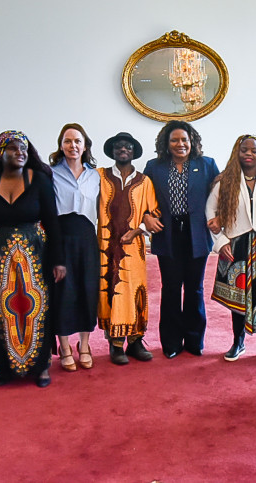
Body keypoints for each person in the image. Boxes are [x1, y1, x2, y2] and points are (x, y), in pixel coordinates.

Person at [0, 131, 66, 387]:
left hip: (35, 254)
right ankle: (3, 367)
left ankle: (41, 367)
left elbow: (52, 222)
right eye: (13, 148)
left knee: (37, 308)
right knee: (0, 309)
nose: (20, 152)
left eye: (23, 148)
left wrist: (58, 260)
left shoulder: (40, 180)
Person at [144, 121, 220, 358]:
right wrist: (146, 217)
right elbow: (143, 198)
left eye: (184, 140)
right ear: (166, 144)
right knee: (171, 288)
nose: (180, 144)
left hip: (196, 234)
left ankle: (194, 340)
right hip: (167, 234)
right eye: (174, 140)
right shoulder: (154, 167)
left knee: (195, 288)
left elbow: (221, 196)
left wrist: (219, 217)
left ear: (192, 141)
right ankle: (171, 342)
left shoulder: (207, 165)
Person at [207, 135, 256, 364]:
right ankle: (238, 342)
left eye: (254, 150)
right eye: (244, 150)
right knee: (238, 299)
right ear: (237, 152)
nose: (249, 154)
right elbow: (210, 211)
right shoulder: (225, 180)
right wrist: (221, 241)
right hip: (236, 246)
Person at [96, 132, 162, 365]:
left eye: (128, 146)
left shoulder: (144, 182)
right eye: (118, 146)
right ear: (112, 151)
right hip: (105, 245)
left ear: (134, 152)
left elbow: (154, 212)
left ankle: (135, 341)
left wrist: (137, 230)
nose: (123, 149)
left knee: (134, 290)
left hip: (133, 247)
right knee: (110, 288)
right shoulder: (100, 176)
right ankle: (115, 344)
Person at [49, 124, 100, 372]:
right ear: (61, 145)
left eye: (78, 141)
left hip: (87, 237)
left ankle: (85, 345)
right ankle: (65, 347)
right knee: (64, 291)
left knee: (87, 290)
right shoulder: (50, 173)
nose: (73, 146)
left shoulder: (96, 175)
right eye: (68, 141)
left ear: (85, 145)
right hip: (61, 235)